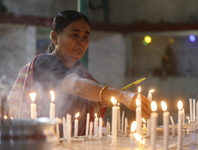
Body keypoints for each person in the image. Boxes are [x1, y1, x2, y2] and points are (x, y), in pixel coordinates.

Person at [5, 10, 151, 135]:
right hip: (38, 143)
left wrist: (99, 99)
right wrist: (123, 95)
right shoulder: (44, 63)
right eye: (75, 35)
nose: (81, 41)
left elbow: (89, 92)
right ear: (55, 37)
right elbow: (77, 86)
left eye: (86, 37)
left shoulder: (83, 74)